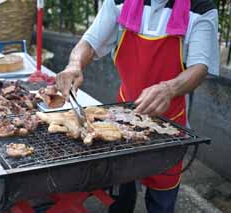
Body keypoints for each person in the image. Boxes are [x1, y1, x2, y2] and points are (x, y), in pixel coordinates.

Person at [56, 0, 219, 212]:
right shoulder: (118, 2)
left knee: (162, 197)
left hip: (169, 123)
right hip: (122, 118)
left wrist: (169, 89)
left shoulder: (200, 7)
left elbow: (200, 66)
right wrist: (74, 64)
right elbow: (90, 41)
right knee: (120, 192)